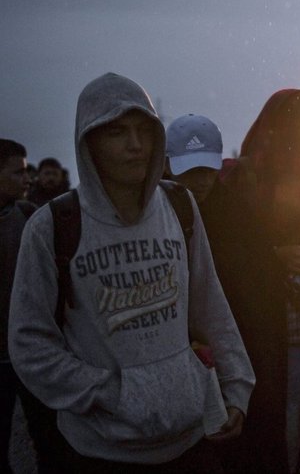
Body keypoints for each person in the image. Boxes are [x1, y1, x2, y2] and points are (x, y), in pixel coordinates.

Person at [8, 72, 254, 473]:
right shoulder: (54, 225)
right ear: (89, 141)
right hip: (101, 451)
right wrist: (111, 392)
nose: (136, 145)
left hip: (190, 443)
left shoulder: (180, 207)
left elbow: (210, 306)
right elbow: (29, 343)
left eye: (145, 130)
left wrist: (237, 386)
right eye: (117, 132)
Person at [205, 89, 300, 473]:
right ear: (280, 132)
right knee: (280, 444)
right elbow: (225, 255)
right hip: (278, 346)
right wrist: (276, 257)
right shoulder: (245, 184)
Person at [1, 140, 69, 474]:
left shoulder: (29, 217)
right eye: (17, 171)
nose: (26, 178)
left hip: (33, 356)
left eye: (28, 171)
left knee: (49, 441)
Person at [164, 114, 224, 205]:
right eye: (192, 171)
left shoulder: (234, 208)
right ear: (166, 165)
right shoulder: (148, 206)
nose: (204, 182)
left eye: (211, 170)